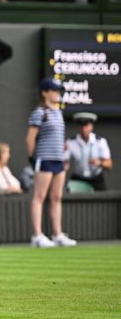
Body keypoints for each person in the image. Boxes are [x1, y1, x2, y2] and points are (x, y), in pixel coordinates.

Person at [26, 78, 77, 248]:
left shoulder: (58, 112)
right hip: (44, 159)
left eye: (58, 91)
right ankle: (37, 236)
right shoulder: (39, 112)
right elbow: (30, 139)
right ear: (44, 92)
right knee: (39, 197)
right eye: (54, 90)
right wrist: (32, 159)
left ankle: (57, 234)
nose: (57, 94)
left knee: (56, 197)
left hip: (58, 160)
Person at [65, 112, 113, 191]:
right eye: (81, 126)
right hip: (78, 178)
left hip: (96, 178)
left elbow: (109, 165)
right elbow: (65, 162)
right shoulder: (70, 142)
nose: (84, 129)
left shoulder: (100, 141)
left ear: (91, 127)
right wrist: (65, 165)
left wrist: (100, 163)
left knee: (102, 200)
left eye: (86, 126)